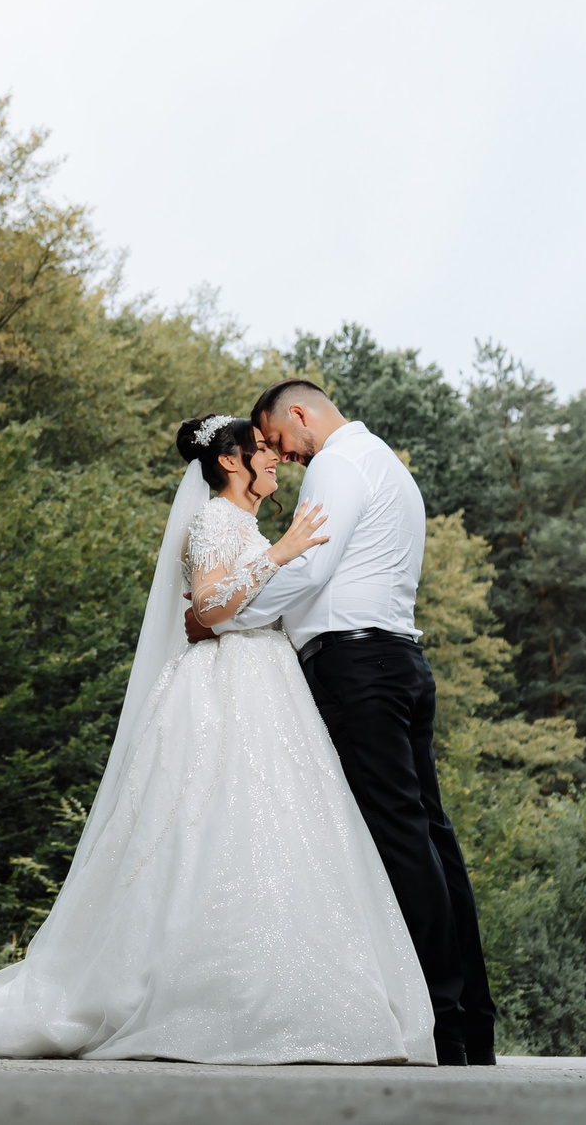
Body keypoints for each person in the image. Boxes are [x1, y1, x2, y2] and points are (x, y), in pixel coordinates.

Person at [0, 413, 436, 1063]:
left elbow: (235, 607)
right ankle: (205, 997)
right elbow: (208, 607)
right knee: (204, 831)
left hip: (269, 689)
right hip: (218, 698)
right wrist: (283, 553)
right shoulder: (215, 520)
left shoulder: (249, 526)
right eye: (263, 451)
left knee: (273, 832)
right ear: (231, 462)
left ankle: (279, 991)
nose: (275, 461)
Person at [191, 380, 499, 1066]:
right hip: (400, 661)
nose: (280, 453)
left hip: (358, 668)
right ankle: (470, 1022)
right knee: (430, 841)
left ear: (300, 414)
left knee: (399, 843)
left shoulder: (335, 462)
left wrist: (233, 617)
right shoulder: (387, 463)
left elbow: (309, 568)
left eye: (277, 437)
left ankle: (443, 1018)